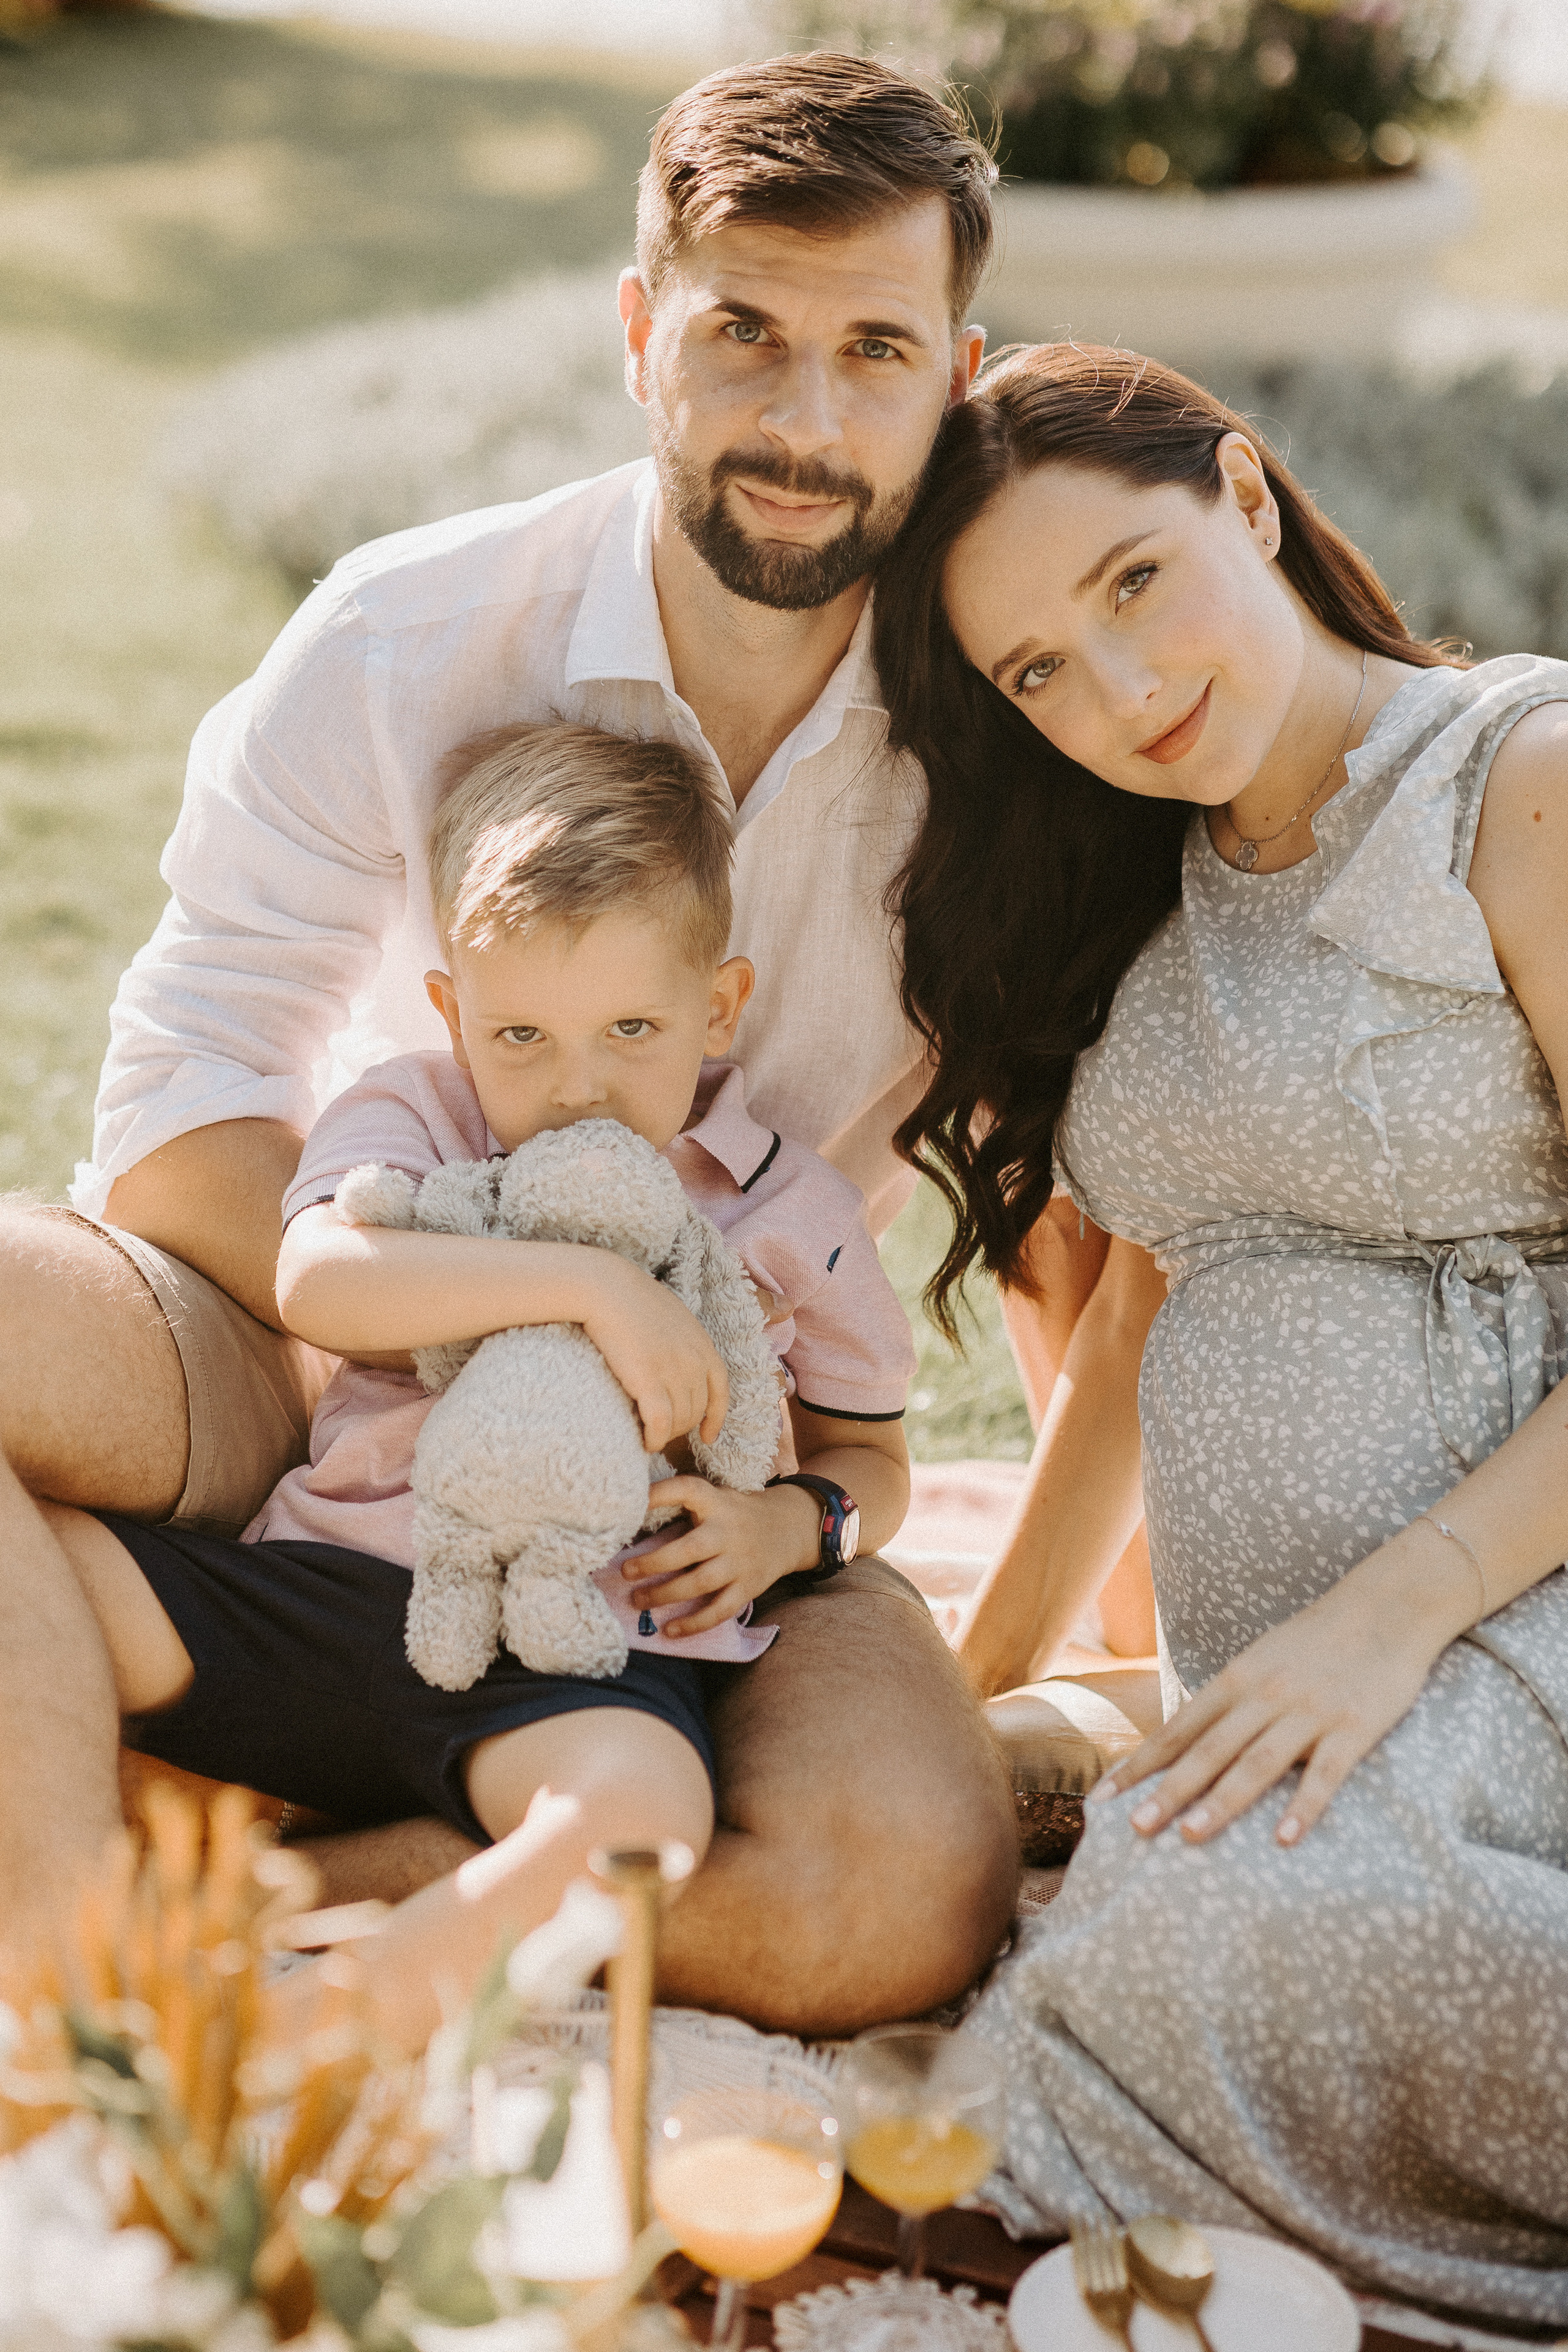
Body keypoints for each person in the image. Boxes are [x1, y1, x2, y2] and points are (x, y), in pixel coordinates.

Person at [0, 53, 1017, 2026]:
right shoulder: (403, 634)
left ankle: (336, 1877)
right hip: (301, 1315)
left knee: (899, 1897)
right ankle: (59, 1995)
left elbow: (1087, 1196)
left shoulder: (1003, 749)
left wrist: (798, 1511)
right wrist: (441, 1323)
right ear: (642, 335)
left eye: (876, 351)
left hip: (685, 1472)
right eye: (744, 333)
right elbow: (189, 1101)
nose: (806, 422)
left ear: (956, 377)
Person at [873, 342, 1568, 2324]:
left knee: (1170, 1942)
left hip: (1503, 1611)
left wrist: (1386, 1616)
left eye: (1134, 584)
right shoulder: (1159, 884)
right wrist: (980, 1678)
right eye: (1040, 672)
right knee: (1025, 1875)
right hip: (1299, 1679)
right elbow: (1143, 1323)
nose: (1118, 691)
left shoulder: (1514, 781)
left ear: (1244, 499)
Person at [45, 720, 921, 2054]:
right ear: (454, 1013)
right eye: (521, 1034)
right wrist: (594, 1288)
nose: (578, 1087)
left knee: (648, 1817)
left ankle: (296, 2047)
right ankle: (51, 1944)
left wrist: (790, 1528)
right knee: (36, 1565)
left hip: (583, 1650)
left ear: (719, 1006)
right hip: (333, 1590)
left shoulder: (792, 1208)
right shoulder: (416, 1114)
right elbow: (319, 1280)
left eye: (633, 1029)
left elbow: (876, 1457)